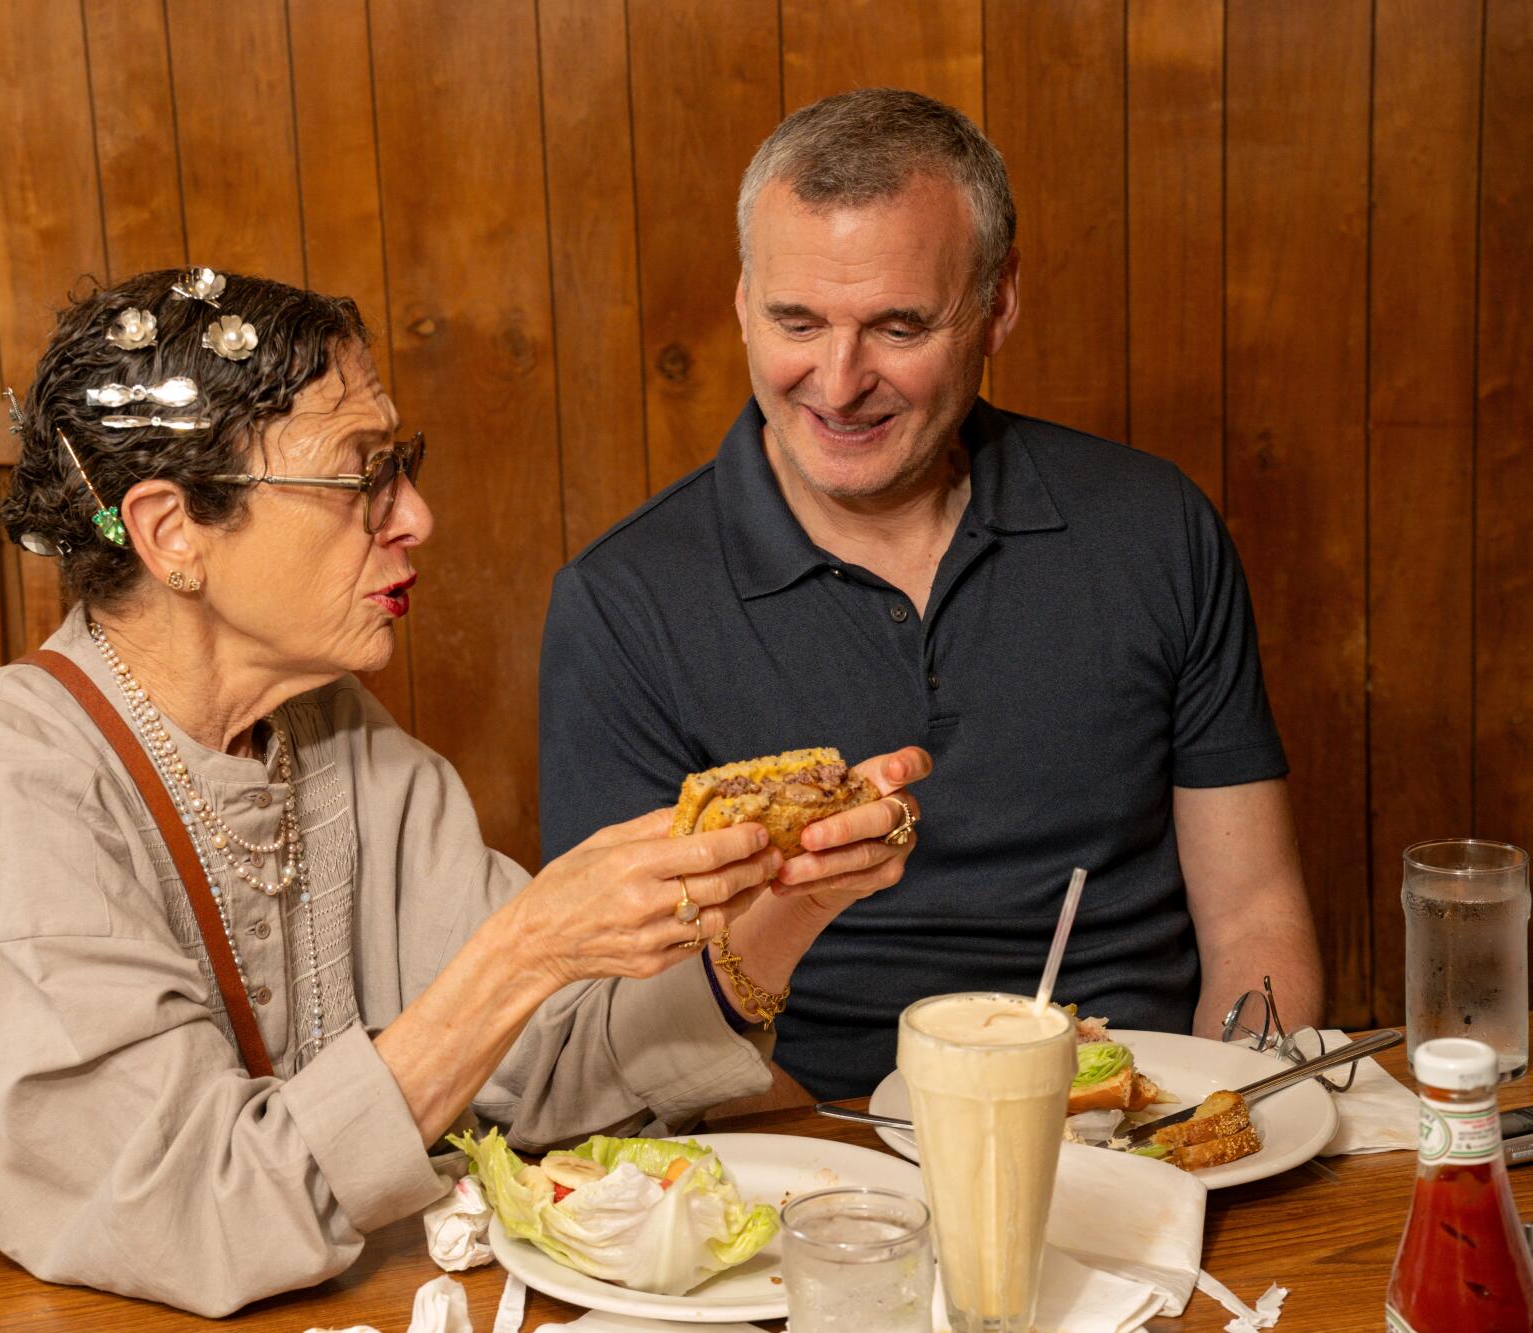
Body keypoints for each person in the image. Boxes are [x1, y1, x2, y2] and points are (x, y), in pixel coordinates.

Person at [0, 268, 922, 1315]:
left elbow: (533, 1075)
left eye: (407, 467)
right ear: (171, 530)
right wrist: (522, 947)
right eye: (363, 478)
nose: (418, 520)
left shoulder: (332, 737)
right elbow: (201, 1215)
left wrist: (781, 908)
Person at [538, 88, 1323, 1102]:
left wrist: (1234, 1117)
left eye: (896, 326)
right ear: (741, 303)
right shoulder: (620, 602)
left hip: (1135, 1119)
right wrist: (869, 1184)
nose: (835, 379)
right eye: (795, 320)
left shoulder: (1151, 525)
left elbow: (1253, 916)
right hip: (809, 1156)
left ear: (996, 306)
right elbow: (625, 1028)